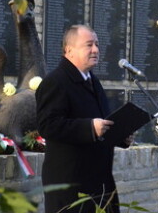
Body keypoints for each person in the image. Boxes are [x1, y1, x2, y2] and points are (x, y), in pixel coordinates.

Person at [35, 25, 133, 213]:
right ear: (69, 50)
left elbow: (101, 122)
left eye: (97, 44)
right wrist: (88, 127)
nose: (95, 49)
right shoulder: (55, 82)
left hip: (99, 181)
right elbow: (48, 125)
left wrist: (120, 136)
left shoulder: (93, 81)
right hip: (70, 184)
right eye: (89, 45)